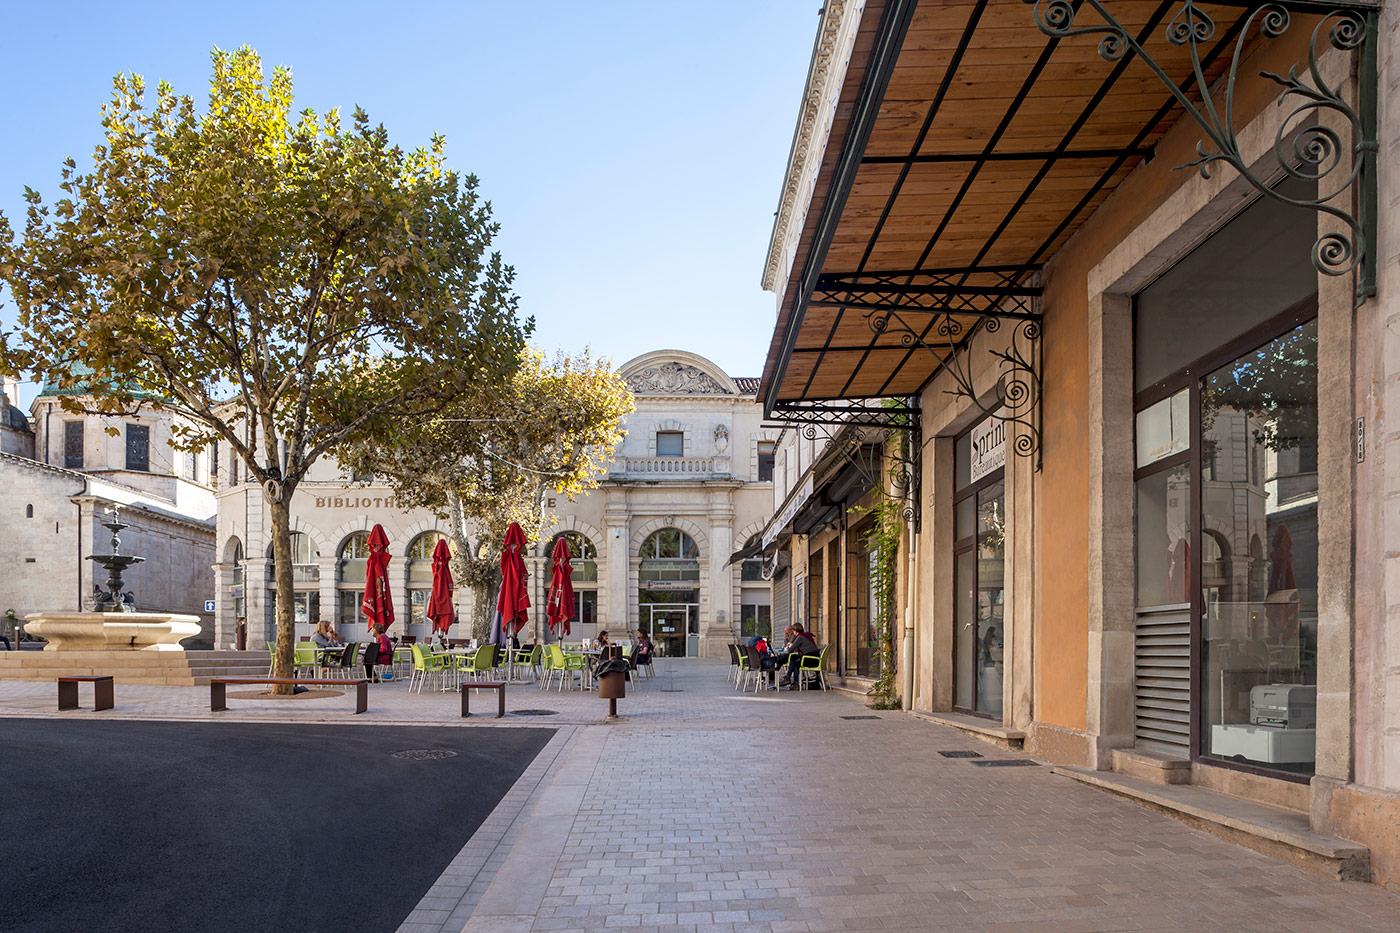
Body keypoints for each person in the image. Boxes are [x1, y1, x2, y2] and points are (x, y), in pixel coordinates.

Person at [781, 623, 820, 690]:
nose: (793, 633)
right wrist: (793, 644)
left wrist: (791, 645)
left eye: (793, 631)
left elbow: (790, 650)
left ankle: (789, 678)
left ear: (795, 631)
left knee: (794, 661)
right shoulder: (805, 635)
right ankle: (794, 681)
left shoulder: (800, 637)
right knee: (794, 659)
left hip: (810, 659)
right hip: (813, 658)